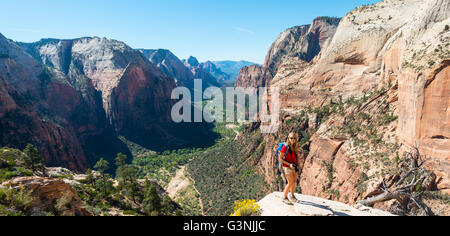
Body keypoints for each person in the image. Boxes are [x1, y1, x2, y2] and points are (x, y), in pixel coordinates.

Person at [279, 132, 301, 204]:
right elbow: (280, 158)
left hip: (294, 166)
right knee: (290, 182)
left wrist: (299, 166)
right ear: (288, 138)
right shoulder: (285, 147)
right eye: (291, 138)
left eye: (294, 138)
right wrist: (289, 164)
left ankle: (292, 195)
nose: (293, 139)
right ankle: (284, 197)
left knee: (294, 182)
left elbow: (297, 157)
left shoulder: (295, 146)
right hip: (287, 167)